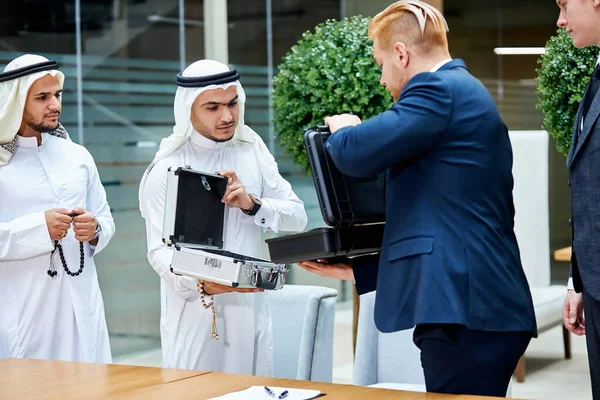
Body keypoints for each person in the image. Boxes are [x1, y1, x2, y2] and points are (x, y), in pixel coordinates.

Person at [297, 1, 537, 396]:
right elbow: (442, 219)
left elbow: (355, 153)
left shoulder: (437, 89)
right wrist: (360, 271)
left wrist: (343, 129)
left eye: (380, 64)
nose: (380, 79)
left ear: (402, 54)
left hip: (466, 313)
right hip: (478, 308)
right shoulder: (463, 90)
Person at [138, 59, 308, 374]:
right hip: (196, 314)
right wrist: (201, 284)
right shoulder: (166, 168)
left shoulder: (251, 150)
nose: (227, 116)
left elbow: (298, 217)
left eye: (232, 104)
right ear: (188, 109)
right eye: (212, 107)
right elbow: (158, 251)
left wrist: (253, 204)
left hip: (251, 307)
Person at [0, 54, 115, 363]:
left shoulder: (77, 155)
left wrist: (95, 230)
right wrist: (39, 229)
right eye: (42, 97)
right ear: (16, 100)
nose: (55, 104)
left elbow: (104, 216)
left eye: (57, 95)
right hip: (25, 311)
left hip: (83, 304)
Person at [557, 0, 600, 397]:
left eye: (564, 5)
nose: (561, 20)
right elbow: (589, 189)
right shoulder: (596, 77)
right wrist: (578, 280)